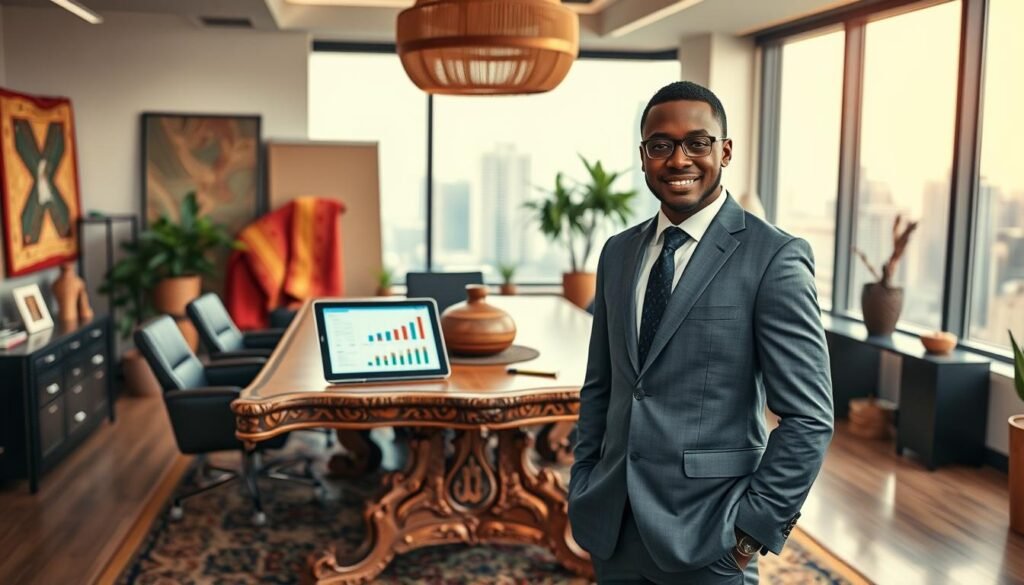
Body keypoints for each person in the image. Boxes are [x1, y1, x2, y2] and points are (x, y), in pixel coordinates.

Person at [567, 81, 834, 584]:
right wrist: (584, 480)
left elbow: (809, 418)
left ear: (724, 151)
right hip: (612, 525)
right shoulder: (617, 253)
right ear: (643, 157)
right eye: (661, 145)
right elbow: (601, 385)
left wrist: (748, 536)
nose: (678, 159)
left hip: (709, 537)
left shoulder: (774, 257)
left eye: (697, 142)